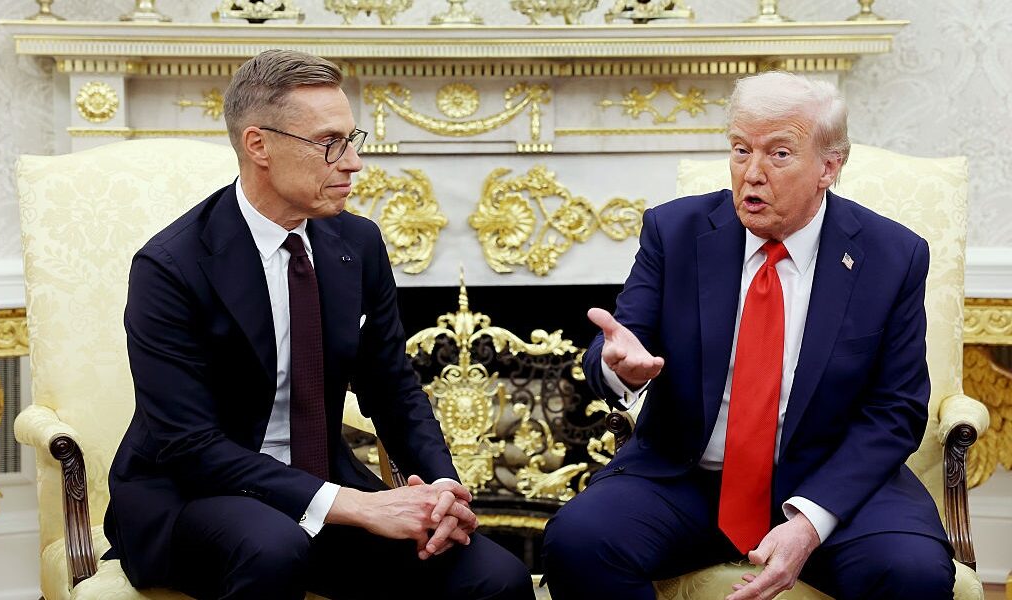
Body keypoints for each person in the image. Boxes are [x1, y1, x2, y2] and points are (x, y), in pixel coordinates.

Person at [103, 49, 533, 600]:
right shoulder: (171, 266)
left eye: (352, 140)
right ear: (259, 145)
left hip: (324, 488)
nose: (353, 163)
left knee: (496, 578)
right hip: (191, 497)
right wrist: (357, 506)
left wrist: (442, 487)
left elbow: (393, 388)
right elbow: (190, 445)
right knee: (274, 546)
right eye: (330, 143)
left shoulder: (357, 242)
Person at [542, 71, 954, 600]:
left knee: (913, 573)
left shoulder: (891, 255)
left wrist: (810, 521)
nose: (752, 173)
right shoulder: (674, 231)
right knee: (579, 541)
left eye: (778, 154)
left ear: (829, 167)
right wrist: (617, 367)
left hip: (830, 481)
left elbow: (896, 410)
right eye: (740, 150)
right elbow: (623, 340)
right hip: (688, 477)